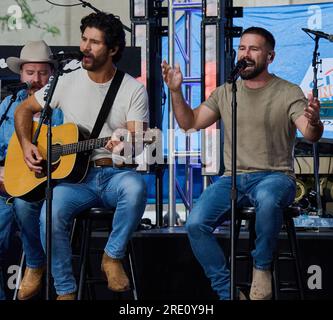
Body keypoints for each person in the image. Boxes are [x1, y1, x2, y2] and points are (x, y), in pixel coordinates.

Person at [161, 26, 323, 300]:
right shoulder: (227, 91)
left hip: (275, 176)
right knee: (195, 224)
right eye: (242, 48)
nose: (245, 54)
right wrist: (175, 92)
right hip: (232, 178)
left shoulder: (287, 91)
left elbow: (310, 133)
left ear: (270, 57)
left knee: (269, 199)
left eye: (254, 49)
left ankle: (261, 269)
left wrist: (315, 120)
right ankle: (229, 294)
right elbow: (189, 123)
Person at [14, 12, 149, 300]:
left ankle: (112, 256)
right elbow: (24, 110)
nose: (85, 47)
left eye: (95, 42)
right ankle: (65, 290)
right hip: (76, 180)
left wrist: (126, 144)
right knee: (51, 213)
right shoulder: (66, 79)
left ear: (113, 49)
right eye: (84, 39)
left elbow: (138, 143)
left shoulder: (133, 89)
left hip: (115, 174)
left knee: (136, 188)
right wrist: (27, 145)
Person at [0, 40, 63, 300]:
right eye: (30, 72)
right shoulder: (6, 107)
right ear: (20, 74)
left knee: (26, 206)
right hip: (4, 191)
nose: (36, 79)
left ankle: (37, 264)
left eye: (43, 73)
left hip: (41, 190)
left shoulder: (61, 109)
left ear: (51, 75)